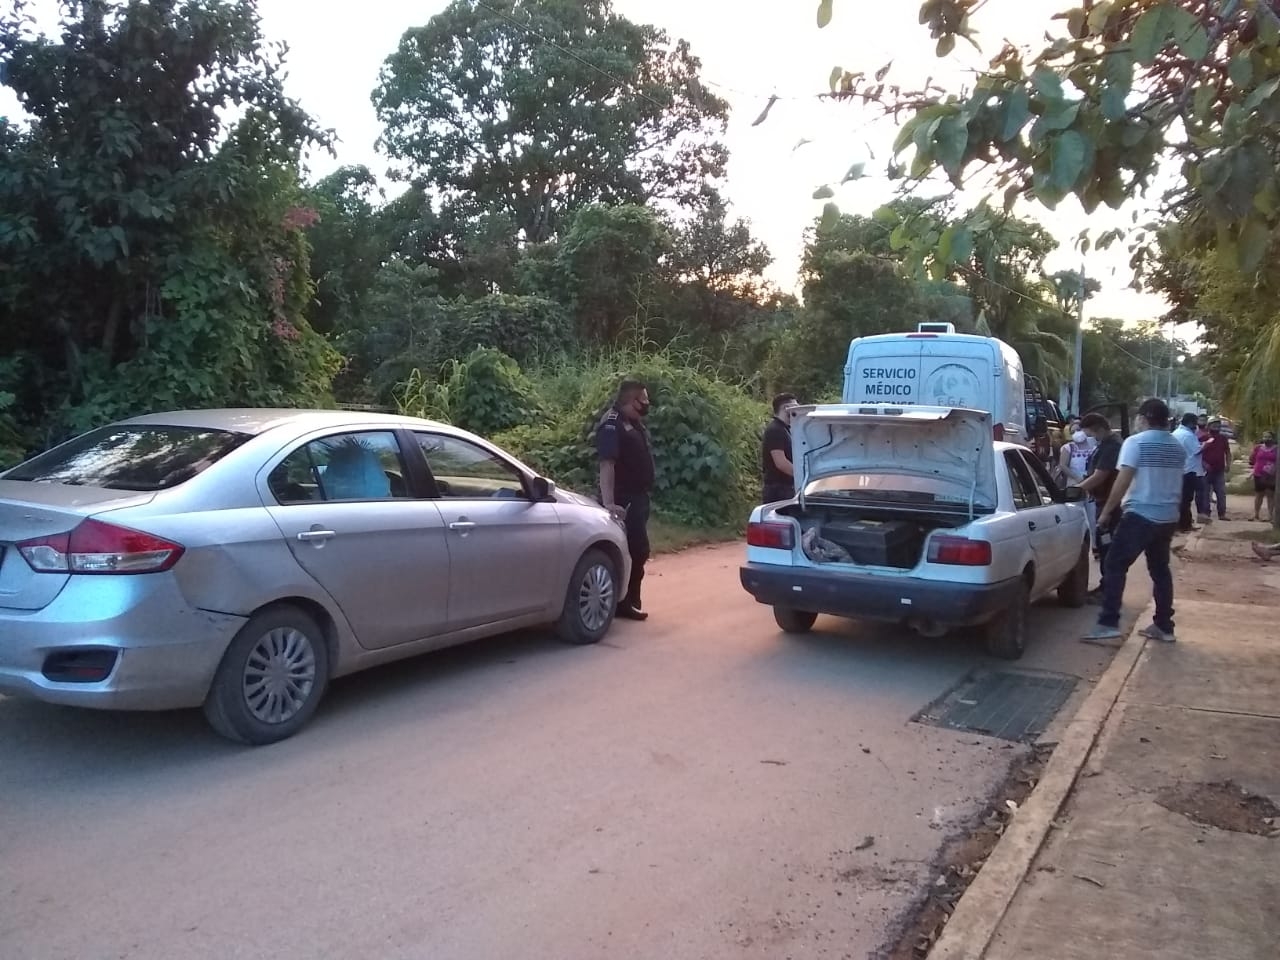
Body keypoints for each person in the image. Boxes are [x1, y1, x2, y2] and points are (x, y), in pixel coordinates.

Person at [1084, 398, 1186, 644]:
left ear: (1143, 418)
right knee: (1160, 570)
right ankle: (1164, 626)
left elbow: (1123, 481)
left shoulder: (1135, 443)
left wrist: (1107, 512)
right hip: (1168, 517)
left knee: (1114, 565)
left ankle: (1108, 623)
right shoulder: (1178, 447)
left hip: (1140, 514)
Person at [597, 379, 656, 621]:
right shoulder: (612, 424)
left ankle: (630, 600)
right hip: (624, 499)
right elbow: (607, 465)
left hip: (639, 497)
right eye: (645, 399)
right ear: (633, 401)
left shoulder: (633, 422)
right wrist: (609, 503)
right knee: (636, 550)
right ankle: (624, 602)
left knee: (637, 550)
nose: (648, 403)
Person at [1073, 412, 1121, 601]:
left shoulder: (1112, 446)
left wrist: (1076, 489)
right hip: (1104, 501)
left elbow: (1100, 475)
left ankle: (1108, 590)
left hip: (1109, 504)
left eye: (1092, 434)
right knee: (1103, 547)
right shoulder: (1106, 444)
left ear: (1099, 429)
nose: (1092, 438)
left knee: (1107, 548)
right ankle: (1106, 587)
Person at [761, 393, 799, 504]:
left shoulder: (784, 429)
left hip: (785, 488)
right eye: (795, 407)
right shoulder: (775, 430)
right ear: (786, 408)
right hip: (778, 489)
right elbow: (781, 463)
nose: (798, 411)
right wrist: (803, 477)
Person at [1172, 412, 1205, 532]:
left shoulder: (1176, 433)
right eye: (1195, 423)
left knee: (1179, 499)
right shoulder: (1188, 435)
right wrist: (1206, 445)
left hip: (1178, 470)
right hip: (1189, 470)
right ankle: (1185, 525)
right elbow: (1197, 450)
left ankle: (1179, 523)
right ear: (1191, 423)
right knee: (1186, 499)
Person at [1200, 420, 1231, 520]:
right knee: (1205, 492)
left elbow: (1228, 452)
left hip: (1219, 470)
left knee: (1221, 493)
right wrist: (1204, 464)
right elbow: (1197, 453)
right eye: (1214, 425)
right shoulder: (1204, 438)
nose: (1216, 427)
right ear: (1209, 426)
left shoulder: (1223, 438)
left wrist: (1228, 464)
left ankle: (1222, 514)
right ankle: (1205, 513)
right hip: (1206, 470)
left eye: (1218, 425)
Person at [1249, 431, 1277, 522]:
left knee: (1270, 495)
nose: (1266, 439)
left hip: (1271, 475)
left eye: (1269, 437)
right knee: (1258, 494)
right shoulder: (1258, 448)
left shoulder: (1277, 449)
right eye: (1265, 436)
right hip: (1259, 474)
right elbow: (1252, 459)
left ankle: (1270, 516)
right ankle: (1256, 514)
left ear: (1273, 438)